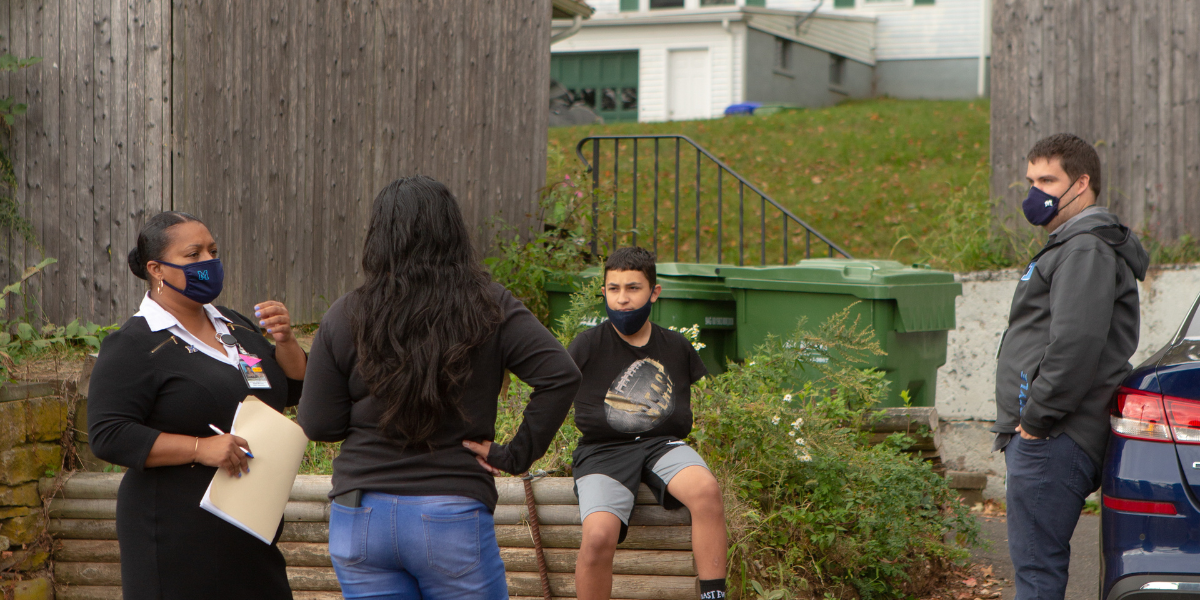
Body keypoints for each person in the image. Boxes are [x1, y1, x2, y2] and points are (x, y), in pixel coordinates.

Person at [297, 175, 581, 600]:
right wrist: (514, 454)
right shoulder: (490, 304)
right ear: (452, 232)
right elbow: (561, 375)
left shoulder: (345, 313)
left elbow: (319, 424)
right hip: (451, 510)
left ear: (378, 237)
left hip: (360, 515)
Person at [88, 211, 307, 600]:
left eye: (213, 251)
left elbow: (291, 390)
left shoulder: (235, 327)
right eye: (193, 255)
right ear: (156, 268)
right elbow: (109, 435)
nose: (209, 262)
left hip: (249, 525)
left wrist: (286, 342)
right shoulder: (135, 343)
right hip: (175, 533)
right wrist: (199, 448)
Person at [993, 133, 1148, 600]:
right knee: (1037, 570)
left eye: (1046, 180)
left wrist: (1035, 422)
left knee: (1037, 576)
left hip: (1054, 437)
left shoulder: (1084, 249)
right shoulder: (1073, 244)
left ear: (1081, 184)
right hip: (1052, 435)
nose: (1034, 192)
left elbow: (1075, 345)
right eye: (1030, 180)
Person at [568, 247, 729, 600]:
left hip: (660, 444)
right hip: (603, 451)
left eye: (633, 288)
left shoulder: (676, 346)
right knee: (597, 536)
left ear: (654, 292)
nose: (622, 299)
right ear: (604, 292)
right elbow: (550, 396)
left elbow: (684, 411)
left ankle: (714, 595)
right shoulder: (586, 345)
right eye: (613, 289)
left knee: (705, 490)